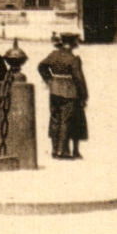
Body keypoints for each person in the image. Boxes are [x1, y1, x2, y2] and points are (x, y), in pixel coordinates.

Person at [38, 32, 89, 160]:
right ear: (72, 44)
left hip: (54, 91)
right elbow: (79, 79)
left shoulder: (54, 54)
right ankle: (62, 152)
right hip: (69, 92)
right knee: (66, 121)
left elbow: (41, 66)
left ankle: (54, 150)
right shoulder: (74, 59)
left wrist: (49, 80)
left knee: (55, 120)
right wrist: (84, 95)